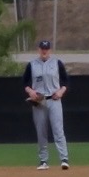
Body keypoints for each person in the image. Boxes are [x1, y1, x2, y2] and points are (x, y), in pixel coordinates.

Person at [23, 39, 70, 170]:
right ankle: (43, 160)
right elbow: (25, 82)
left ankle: (64, 159)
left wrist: (61, 91)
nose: (44, 51)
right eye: (42, 49)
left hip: (54, 99)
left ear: (50, 50)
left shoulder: (57, 63)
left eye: (46, 49)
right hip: (39, 101)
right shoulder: (32, 65)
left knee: (58, 129)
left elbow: (65, 81)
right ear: (38, 49)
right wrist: (30, 91)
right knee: (41, 131)